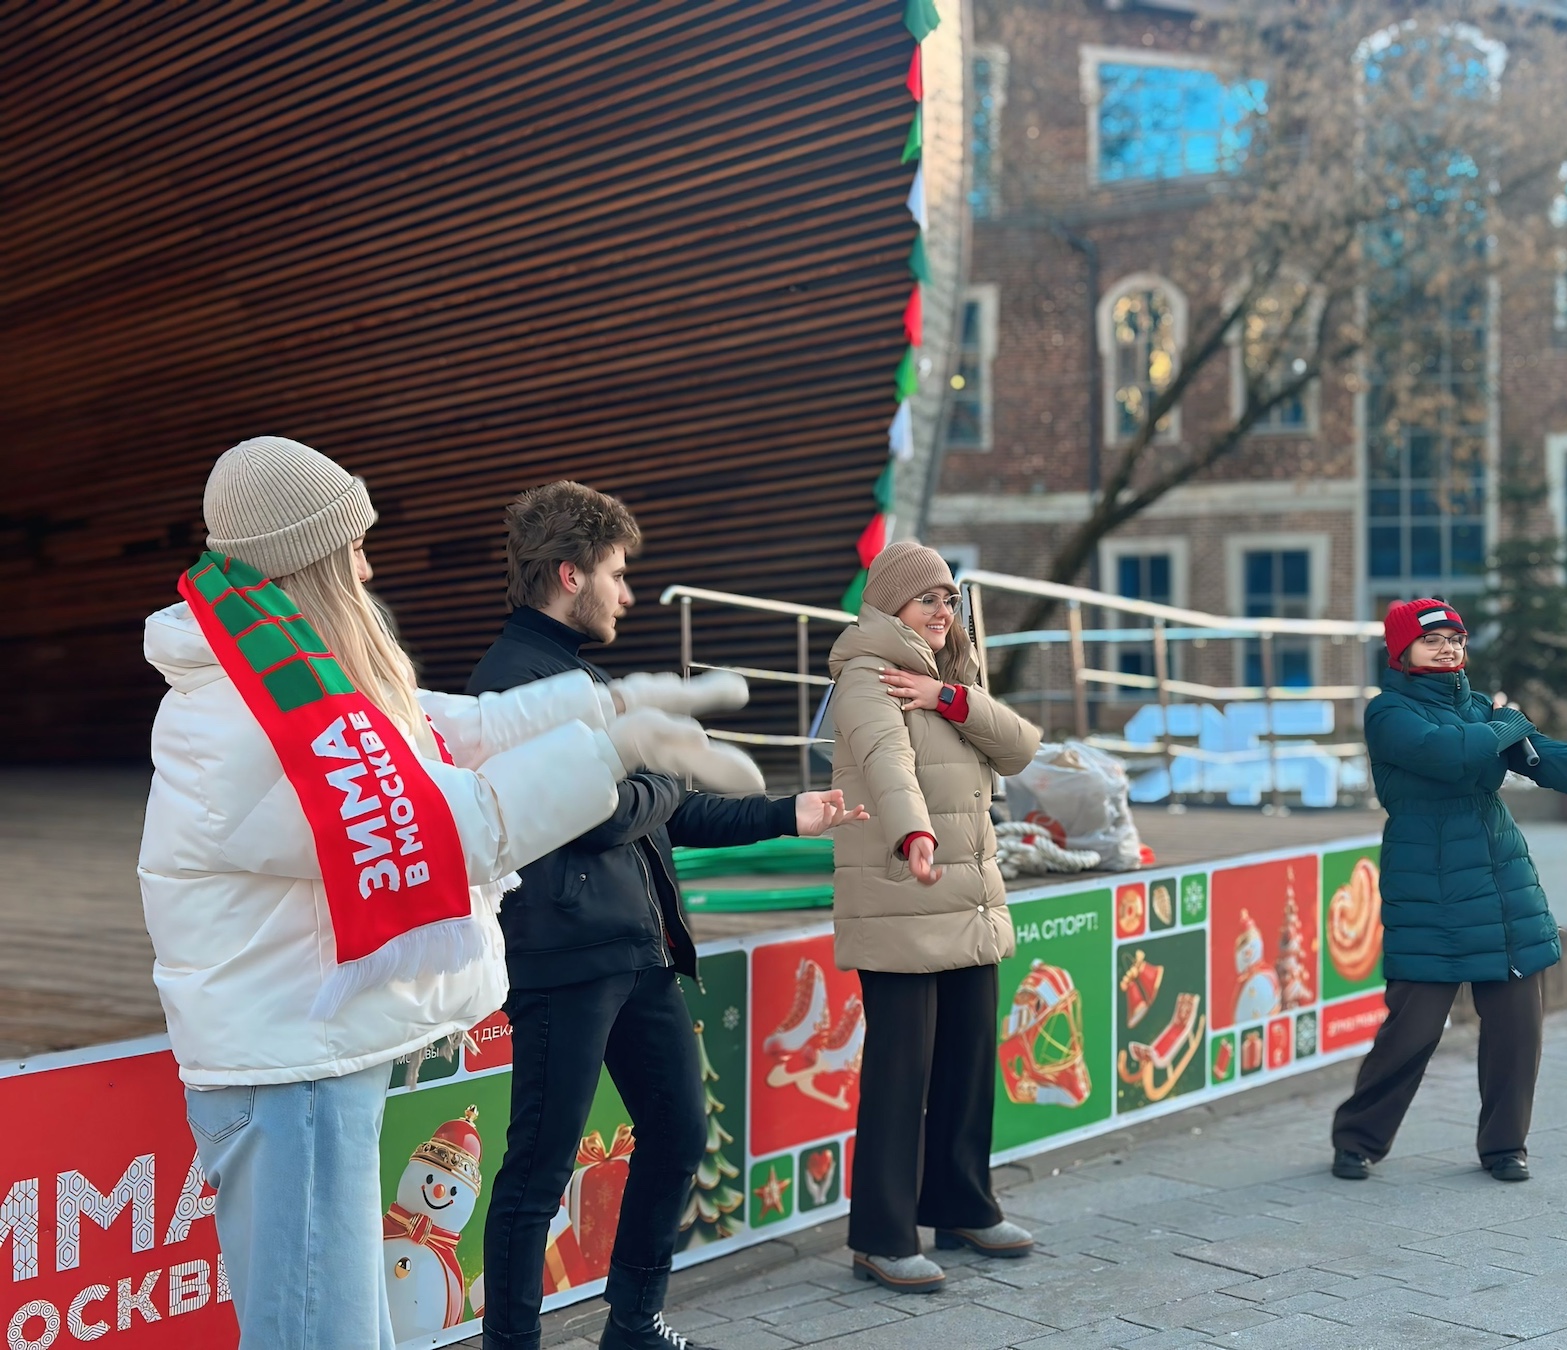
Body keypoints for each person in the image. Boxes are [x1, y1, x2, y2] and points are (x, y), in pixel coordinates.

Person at [139, 437, 760, 1350]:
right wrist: (608, 754)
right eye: (352, 545)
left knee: (344, 1328)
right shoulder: (242, 716)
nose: (368, 564)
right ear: (306, 561)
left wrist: (609, 705)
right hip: (286, 1070)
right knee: (322, 1334)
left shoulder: (290, 681)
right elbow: (448, 827)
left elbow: (442, 727)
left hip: (308, 1059)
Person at [468, 480, 866, 1350]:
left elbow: (665, 808)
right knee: (537, 1174)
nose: (628, 592)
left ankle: (636, 1324)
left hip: (636, 952)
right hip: (565, 961)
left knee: (680, 1133)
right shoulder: (509, 686)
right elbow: (601, 812)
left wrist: (791, 812)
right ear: (569, 575)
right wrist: (655, 780)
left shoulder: (583, 679)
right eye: (616, 574)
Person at [1331, 597, 1567, 1185]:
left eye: (1456, 638)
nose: (1448, 647)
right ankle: (1359, 1138)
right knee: (1414, 1027)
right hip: (1426, 877)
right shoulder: (1389, 713)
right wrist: (1509, 723)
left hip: (1500, 876)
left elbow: (1541, 758)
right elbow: (1449, 754)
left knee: (1517, 1026)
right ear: (1401, 650)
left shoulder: (1480, 709)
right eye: (1433, 639)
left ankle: (1505, 1145)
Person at [827, 540, 1042, 1293]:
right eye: (930, 599)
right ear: (892, 605)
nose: (945, 612)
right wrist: (912, 832)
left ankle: (962, 1206)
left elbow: (1021, 747)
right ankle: (882, 1236)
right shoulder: (866, 676)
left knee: (966, 1065)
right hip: (903, 899)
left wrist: (949, 697)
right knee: (900, 1076)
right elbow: (886, 763)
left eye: (950, 598)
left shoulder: (951, 677)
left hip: (968, 901)